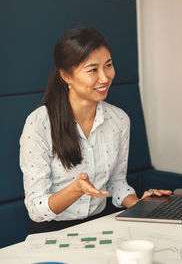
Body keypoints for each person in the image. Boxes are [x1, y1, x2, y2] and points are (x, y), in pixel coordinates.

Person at [20, 26, 170, 234]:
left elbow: (117, 183)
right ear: (66, 76)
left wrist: (140, 205)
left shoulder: (119, 120)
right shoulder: (39, 123)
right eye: (93, 70)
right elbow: (36, 209)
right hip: (52, 233)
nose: (105, 77)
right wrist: (75, 190)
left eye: (108, 65)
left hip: (99, 226)